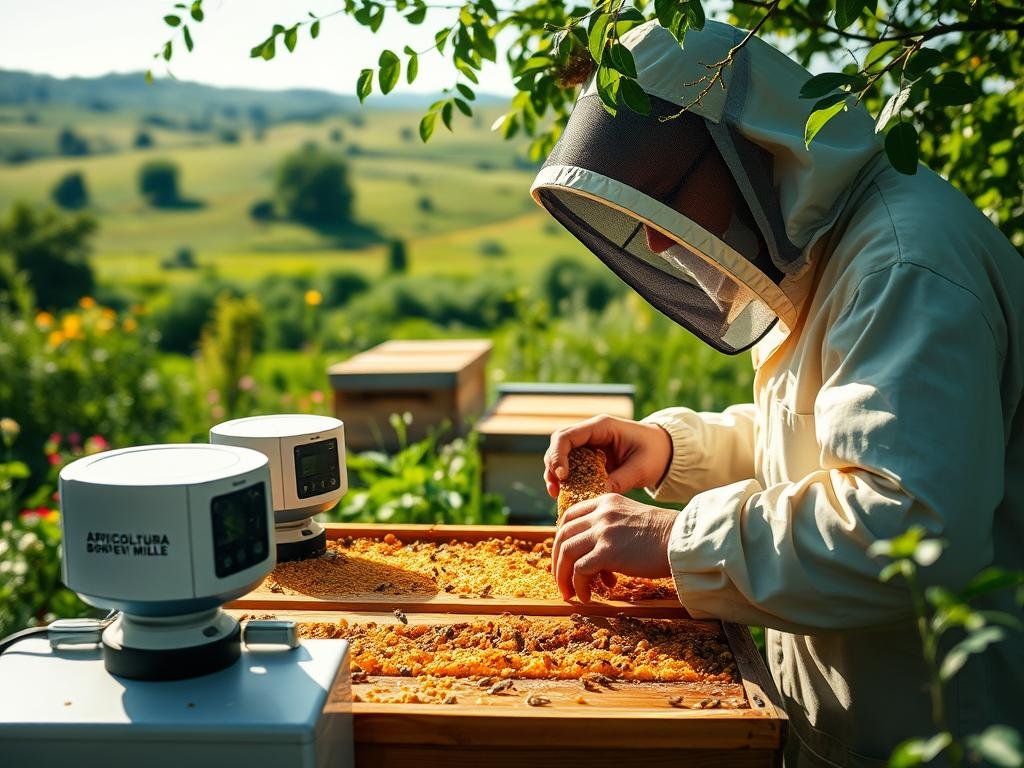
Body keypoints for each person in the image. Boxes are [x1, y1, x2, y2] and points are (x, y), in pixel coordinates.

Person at [532, 18, 1024, 767]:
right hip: (855, 727)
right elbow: (824, 440)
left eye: (666, 193)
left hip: (939, 738)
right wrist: (669, 452)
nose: (659, 240)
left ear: (747, 147)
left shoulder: (901, 265)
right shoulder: (829, 245)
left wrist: (673, 539)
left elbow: (907, 529)